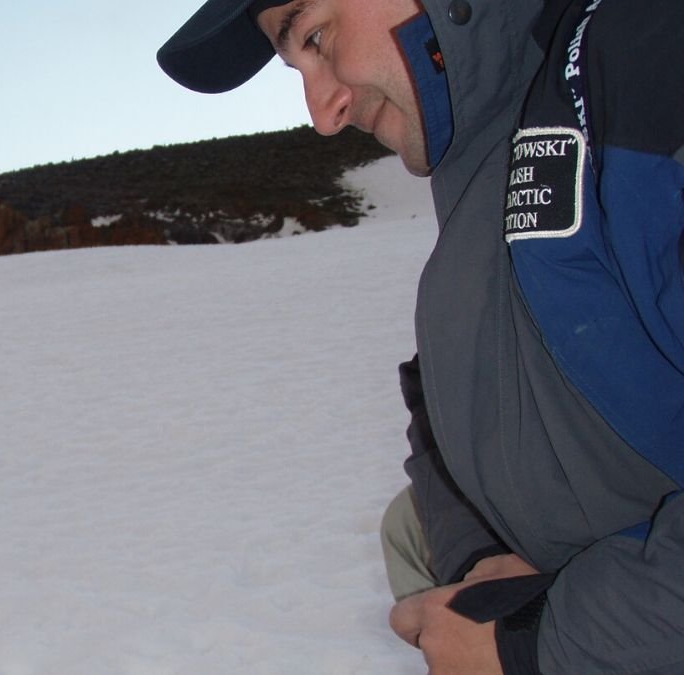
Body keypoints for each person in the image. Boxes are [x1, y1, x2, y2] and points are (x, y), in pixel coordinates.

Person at [157, 0, 684, 673]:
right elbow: (443, 392)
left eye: (316, 36)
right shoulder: (480, 133)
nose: (323, 114)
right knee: (409, 528)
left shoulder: (644, 59)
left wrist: (532, 642)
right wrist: (480, 559)